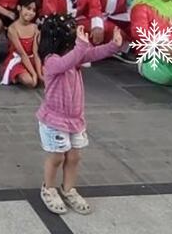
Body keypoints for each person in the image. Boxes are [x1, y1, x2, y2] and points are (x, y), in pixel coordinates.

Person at [37, 18, 121, 215]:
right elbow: (69, 60)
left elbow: (92, 53)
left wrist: (112, 46)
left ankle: (68, 190)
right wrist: (80, 45)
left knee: (74, 156)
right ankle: (48, 188)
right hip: (55, 120)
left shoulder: (75, 56)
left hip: (75, 118)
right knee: (57, 157)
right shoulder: (51, 61)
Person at [0, 0, 42, 88]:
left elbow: (36, 53)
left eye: (34, 10)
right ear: (19, 7)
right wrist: (34, 75)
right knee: (29, 82)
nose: (31, 13)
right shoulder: (12, 29)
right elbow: (22, 54)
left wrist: (39, 74)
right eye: (28, 8)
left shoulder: (35, 28)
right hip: (19, 59)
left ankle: (34, 72)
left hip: (32, 59)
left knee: (46, 77)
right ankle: (18, 75)